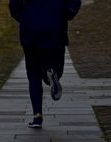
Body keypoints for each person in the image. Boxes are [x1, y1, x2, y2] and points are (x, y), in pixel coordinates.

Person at [9, 0, 82, 128]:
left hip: (31, 29)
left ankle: (37, 116)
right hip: (55, 28)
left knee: (33, 74)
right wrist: (66, 14)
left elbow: (14, 6)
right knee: (56, 64)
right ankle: (52, 72)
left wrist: (24, 18)